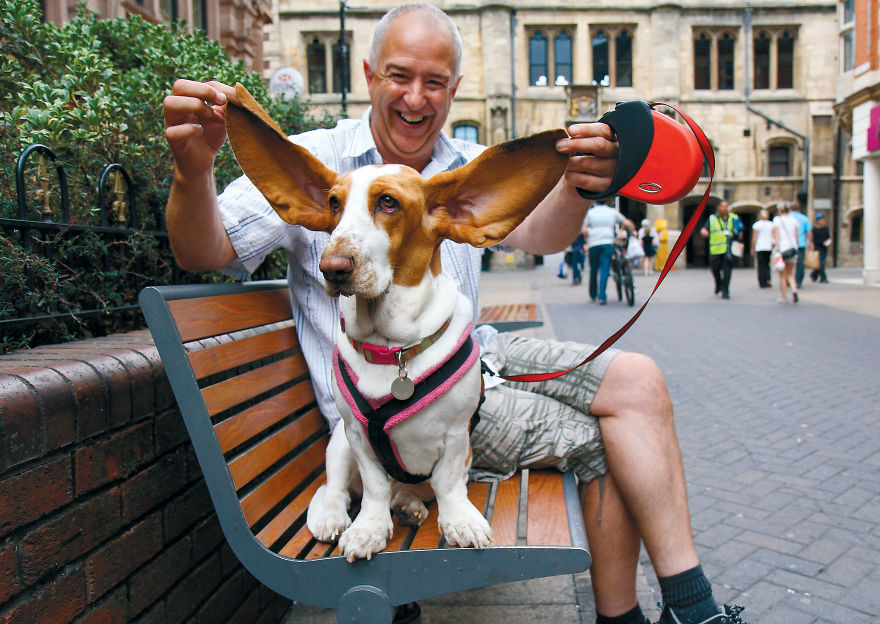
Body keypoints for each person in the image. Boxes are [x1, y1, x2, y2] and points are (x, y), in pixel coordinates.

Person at [162, 4, 748, 623]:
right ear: (369, 74)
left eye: (435, 82)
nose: (416, 97)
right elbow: (205, 252)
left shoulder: (466, 164)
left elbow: (543, 236)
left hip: (473, 356)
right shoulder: (320, 164)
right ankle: (629, 620)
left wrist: (582, 183)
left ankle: (691, 608)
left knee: (639, 380)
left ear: (456, 88)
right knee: (602, 440)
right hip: (398, 409)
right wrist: (193, 170)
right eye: (399, 75)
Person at [585, 200, 633, 305]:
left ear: (595, 201)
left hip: (593, 244)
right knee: (604, 269)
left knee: (594, 269)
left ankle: (593, 293)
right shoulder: (612, 212)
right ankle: (602, 296)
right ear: (607, 201)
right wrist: (633, 231)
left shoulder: (590, 213)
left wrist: (588, 236)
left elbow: (583, 229)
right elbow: (627, 223)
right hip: (607, 243)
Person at [699, 201, 742, 300]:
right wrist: (703, 232)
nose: (725, 208)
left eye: (726, 206)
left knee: (727, 270)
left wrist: (739, 236)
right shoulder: (712, 218)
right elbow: (704, 229)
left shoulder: (734, 217)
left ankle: (725, 290)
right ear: (718, 207)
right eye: (723, 206)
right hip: (716, 249)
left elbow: (740, 229)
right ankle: (718, 284)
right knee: (715, 269)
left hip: (729, 249)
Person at [773, 203, 799, 304]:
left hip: (782, 249)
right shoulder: (793, 220)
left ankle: (784, 297)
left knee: (782, 275)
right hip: (792, 249)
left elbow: (777, 235)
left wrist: (776, 248)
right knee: (790, 273)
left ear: (780, 210)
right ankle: (794, 289)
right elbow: (796, 236)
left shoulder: (777, 220)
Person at [788, 201, 813, 288]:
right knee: (800, 263)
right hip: (801, 244)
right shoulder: (804, 218)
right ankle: (798, 281)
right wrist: (810, 242)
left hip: (789, 244)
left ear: (790, 208)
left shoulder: (787, 217)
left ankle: (788, 279)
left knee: (788, 263)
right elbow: (809, 232)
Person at [750, 209, 774, 288]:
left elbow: (754, 238)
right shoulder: (771, 224)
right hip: (768, 246)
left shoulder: (757, 225)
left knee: (761, 265)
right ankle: (768, 280)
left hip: (760, 247)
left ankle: (762, 282)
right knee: (767, 264)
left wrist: (752, 248)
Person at [810, 212, 830, 283]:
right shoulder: (814, 229)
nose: (822, 221)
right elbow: (813, 239)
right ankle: (823, 278)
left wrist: (828, 242)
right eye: (821, 220)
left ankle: (813, 274)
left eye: (823, 219)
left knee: (820, 263)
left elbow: (828, 238)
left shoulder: (825, 229)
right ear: (817, 221)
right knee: (821, 263)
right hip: (817, 247)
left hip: (824, 248)